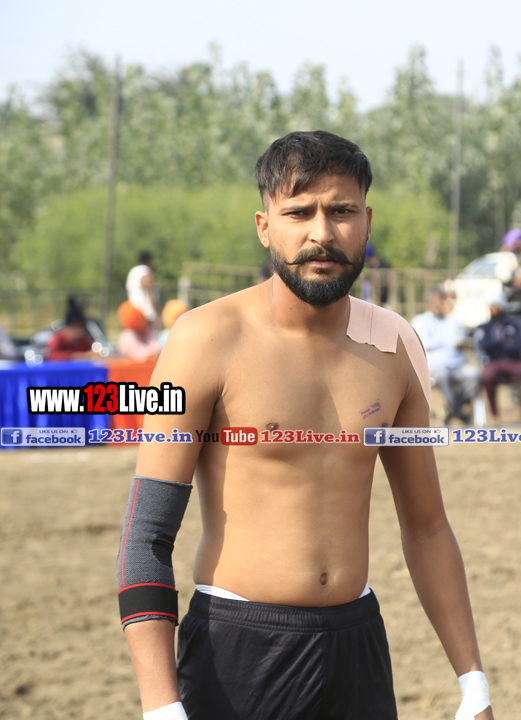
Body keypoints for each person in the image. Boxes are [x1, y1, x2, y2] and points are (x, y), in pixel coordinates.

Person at [118, 131, 493, 720]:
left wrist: (474, 684)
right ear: (265, 226)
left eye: (341, 211)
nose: (322, 233)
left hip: (358, 649)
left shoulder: (396, 345)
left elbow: (427, 529)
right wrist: (161, 707)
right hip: (237, 652)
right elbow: (146, 537)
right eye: (298, 213)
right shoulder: (202, 340)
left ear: (366, 221)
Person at [412, 288, 483, 425]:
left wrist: (451, 321)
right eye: (439, 300)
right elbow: (423, 344)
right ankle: (458, 411)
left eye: (443, 300)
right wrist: (447, 343)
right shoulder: (420, 321)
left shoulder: (452, 320)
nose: (442, 303)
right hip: (436, 366)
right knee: (442, 375)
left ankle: (451, 409)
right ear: (430, 302)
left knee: (474, 375)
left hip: (457, 364)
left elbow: (461, 341)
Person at [475, 293, 521, 426]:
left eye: (497, 306)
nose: (494, 309)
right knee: (488, 377)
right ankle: (494, 414)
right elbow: (485, 346)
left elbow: (518, 346)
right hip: (493, 362)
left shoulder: (514, 325)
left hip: (514, 361)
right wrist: (504, 341)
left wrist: (496, 343)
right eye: (492, 306)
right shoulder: (484, 327)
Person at [127, 251, 160, 329]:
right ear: (149, 261)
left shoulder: (132, 271)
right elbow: (150, 293)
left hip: (133, 312)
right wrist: (156, 313)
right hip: (146, 315)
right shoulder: (145, 271)